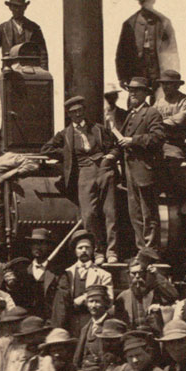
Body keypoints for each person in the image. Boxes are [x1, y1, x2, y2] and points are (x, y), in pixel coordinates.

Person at [40, 96, 118, 262]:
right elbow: (46, 149)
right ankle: (98, 251)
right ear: (69, 114)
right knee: (88, 214)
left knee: (110, 212)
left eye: (79, 111)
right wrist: (68, 155)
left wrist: (110, 157)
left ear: (84, 111)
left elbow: (115, 146)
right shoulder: (65, 134)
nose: (77, 115)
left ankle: (112, 252)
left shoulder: (98, 129)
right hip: (83, 173)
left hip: (104, 170)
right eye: (73, 112)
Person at [113, 78, 167, 251]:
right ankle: (142, 250)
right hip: (130, 170)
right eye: (131, 90)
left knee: (148, 213)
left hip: (145, 169)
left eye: (137, 90)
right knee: (135, 213)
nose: (133, 93)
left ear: (146, 94)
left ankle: (151, 250)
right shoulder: (131, 114)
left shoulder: (152, 113)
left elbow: (158, 138)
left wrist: (133, 140)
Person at [115, 0, 178, 90]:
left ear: (154, 0)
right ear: (139, 2)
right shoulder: (130, 23)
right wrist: (122, 77)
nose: (146, 3)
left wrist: (172, 75)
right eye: (142, 0)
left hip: (158, 71)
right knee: (135, 100)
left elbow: (172, 51)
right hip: (136, 72)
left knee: (159, 100)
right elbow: (121, 53)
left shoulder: (164, 22)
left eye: (148, 0)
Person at [52, 237, 113, 335]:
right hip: (71, 322)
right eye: (80, 248)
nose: (84, 250)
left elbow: (109, 300)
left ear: (93, 250)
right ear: (75, 251)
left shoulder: (103, 274)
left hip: (92, 321)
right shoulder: (67, 273)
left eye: (87, 247)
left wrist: (85, 297)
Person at [0, 0, 48, 73]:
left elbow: (42, 52)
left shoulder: (34, 28)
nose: (17, 10)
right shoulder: (2, 28)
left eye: (20, 7)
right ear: (10, 8)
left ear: (25, 7)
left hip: (31, 72)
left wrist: (44, 72)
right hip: (9, 72)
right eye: (15, 7)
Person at [153, 69, 186, 166]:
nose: (165, 87)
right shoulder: (159, 102)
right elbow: (151, 118)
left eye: (168, 84)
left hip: (177, 144)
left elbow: (178, 120)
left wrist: (158, 123)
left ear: (177, 85)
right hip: (159, 143)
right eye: (163, 84)